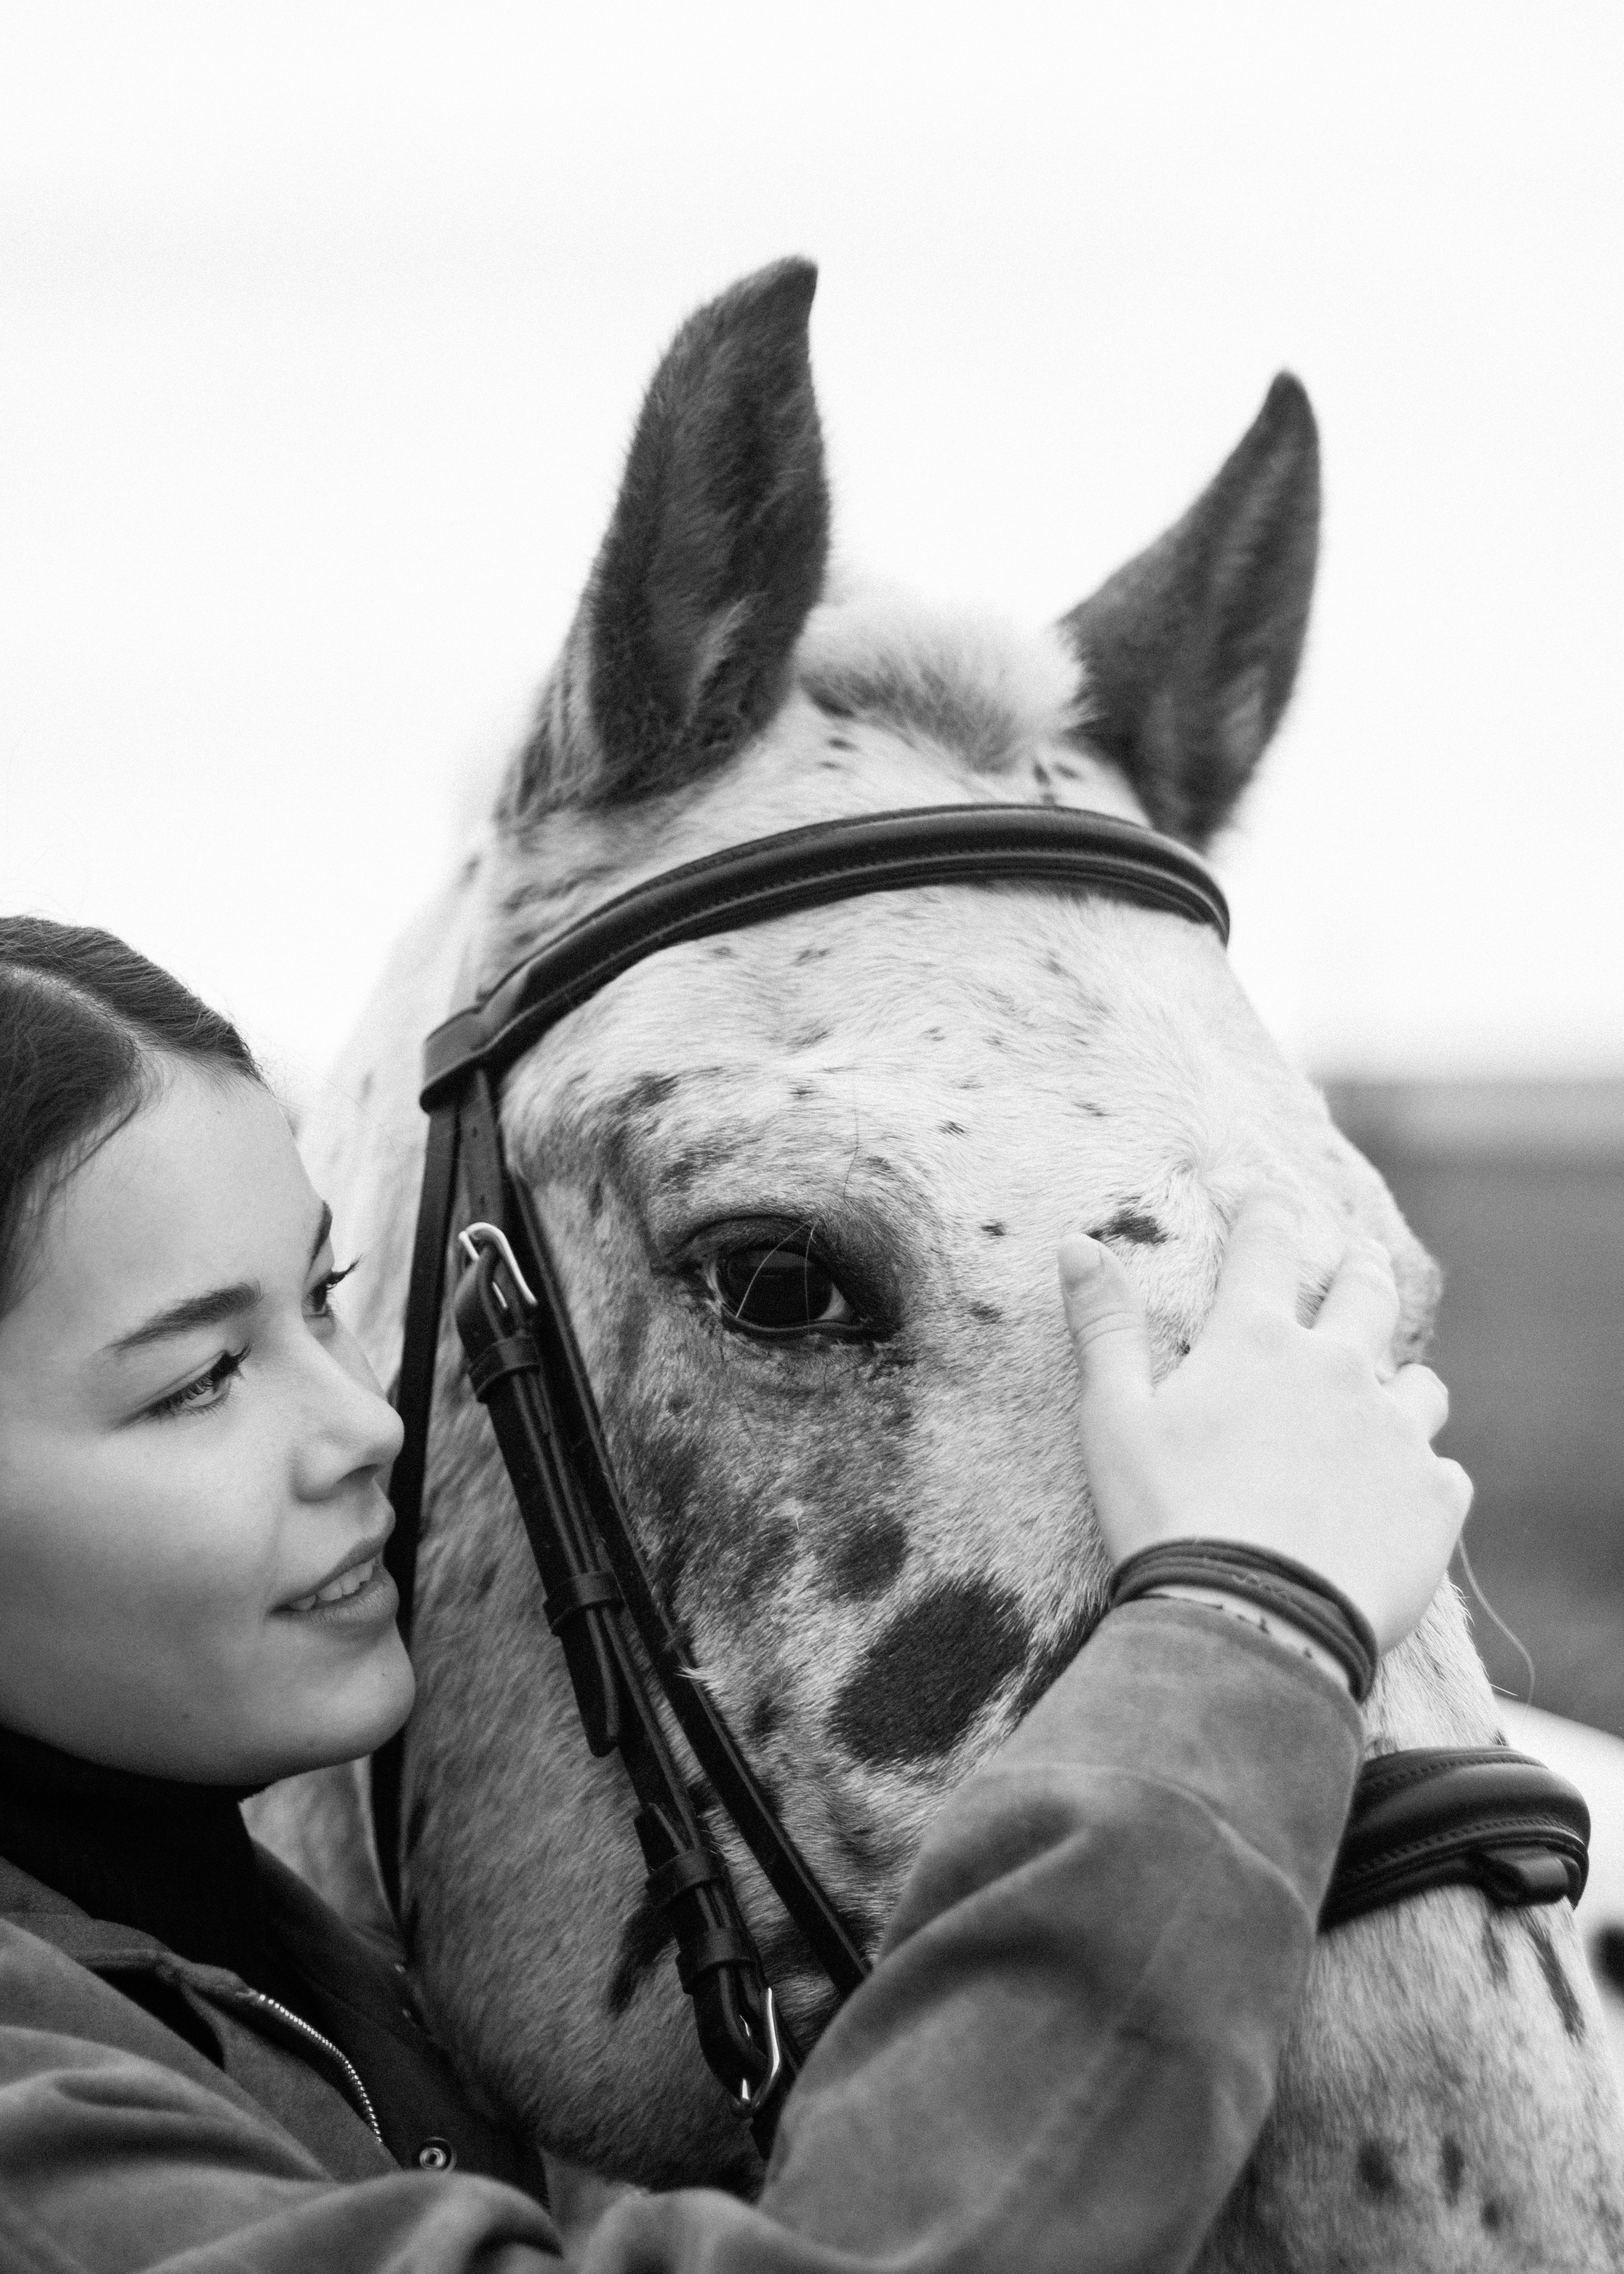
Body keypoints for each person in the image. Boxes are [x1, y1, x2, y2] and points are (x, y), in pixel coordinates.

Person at [0, 917, 1469, 2273]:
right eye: (197, 1380)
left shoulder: (261, 1949)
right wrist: (1241, 1629)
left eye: (321, 1298)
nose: (362, 1426)